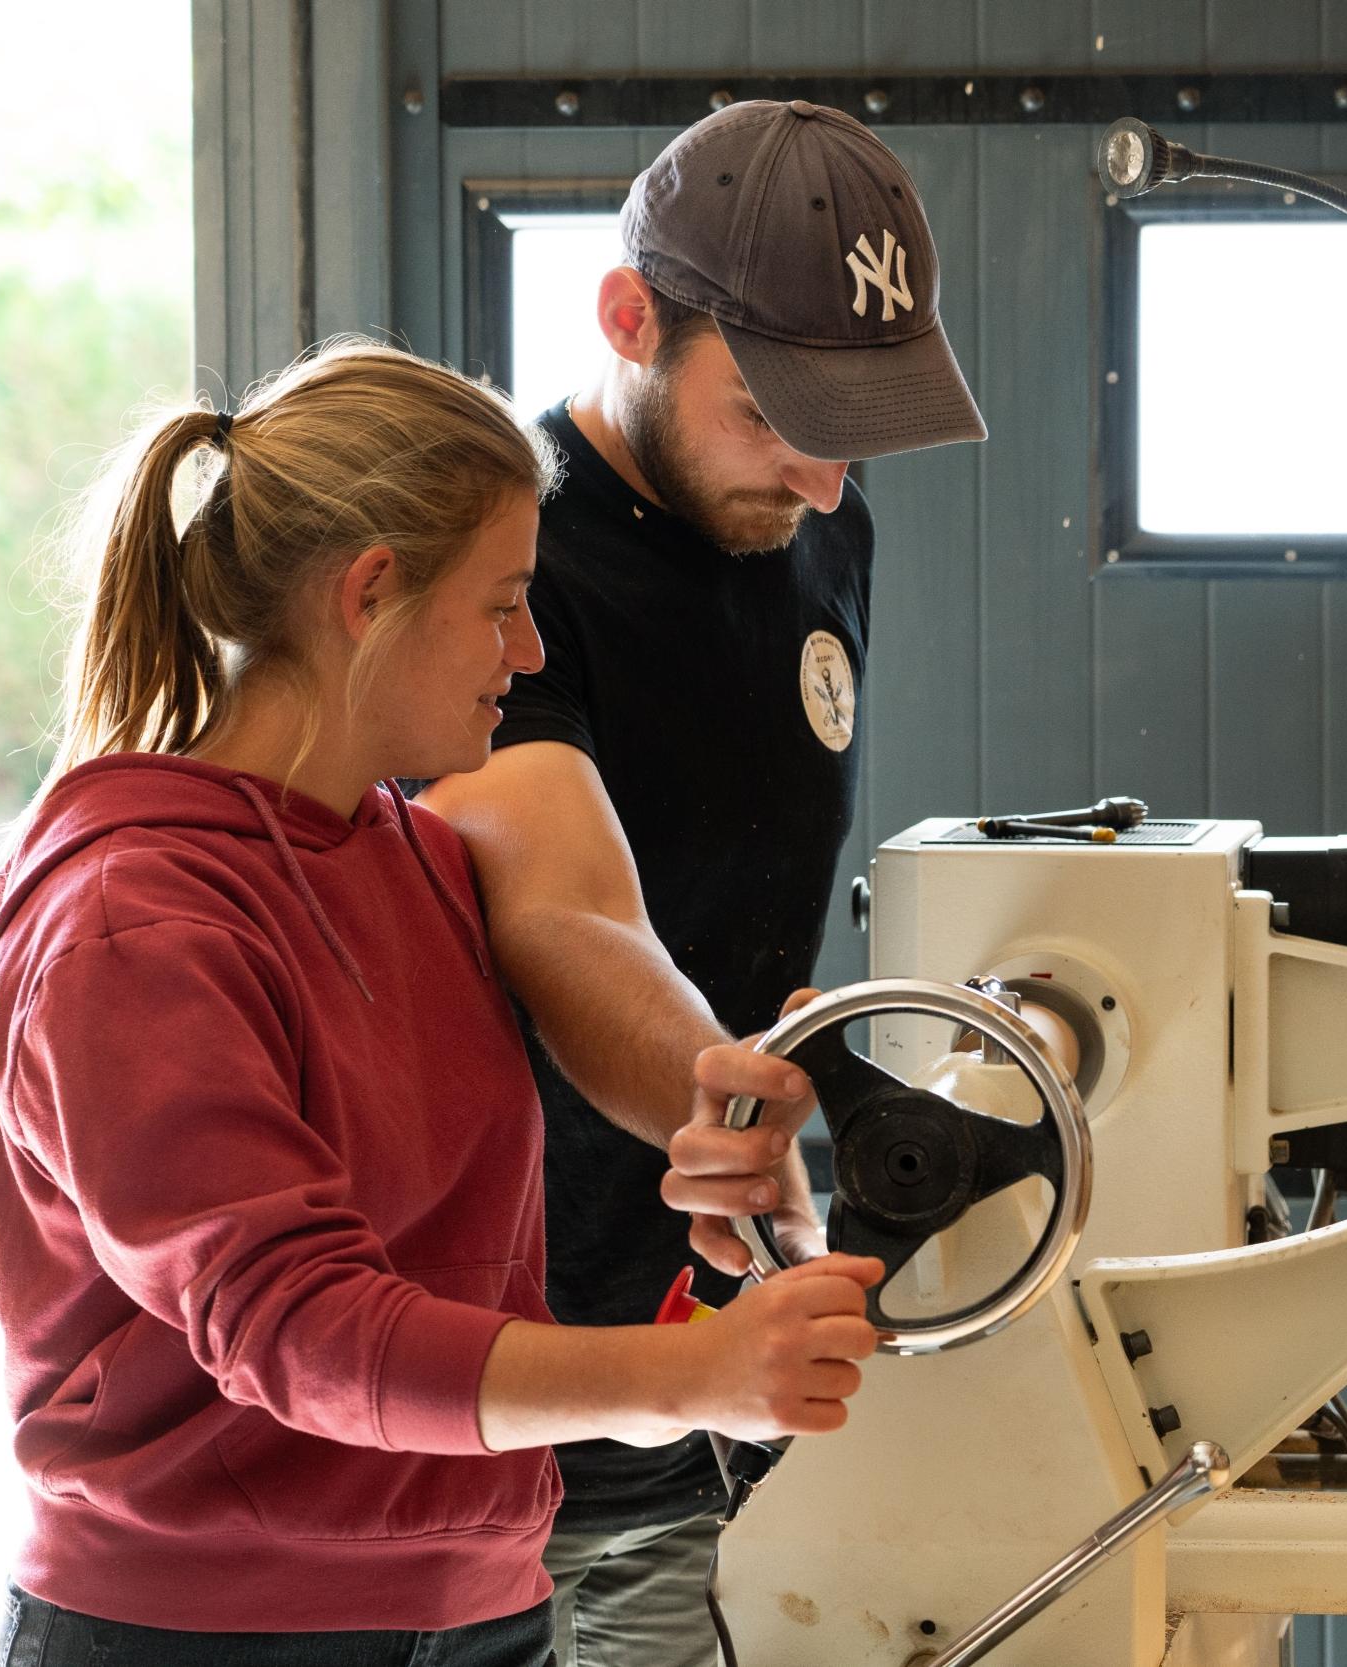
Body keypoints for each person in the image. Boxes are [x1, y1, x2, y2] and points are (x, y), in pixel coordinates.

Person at [0, 340, 883, 1667]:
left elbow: (570, 962)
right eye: (504, 603)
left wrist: (718, 1232)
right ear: (369, 595)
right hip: (203, 1628)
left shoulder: (411, 862)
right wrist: (681, 1380)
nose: (526, 651)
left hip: (471, 1607)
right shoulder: (131, 920)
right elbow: (302, 1329)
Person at [417, 99, 985, 1664]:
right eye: (771, 416)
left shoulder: (823, 524)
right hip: (492, 1395)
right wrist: (729, 1113)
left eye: (852, 428)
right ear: (629, 319)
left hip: (705, 1389)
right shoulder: (514, 554)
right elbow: (561, 904)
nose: (818, 481)